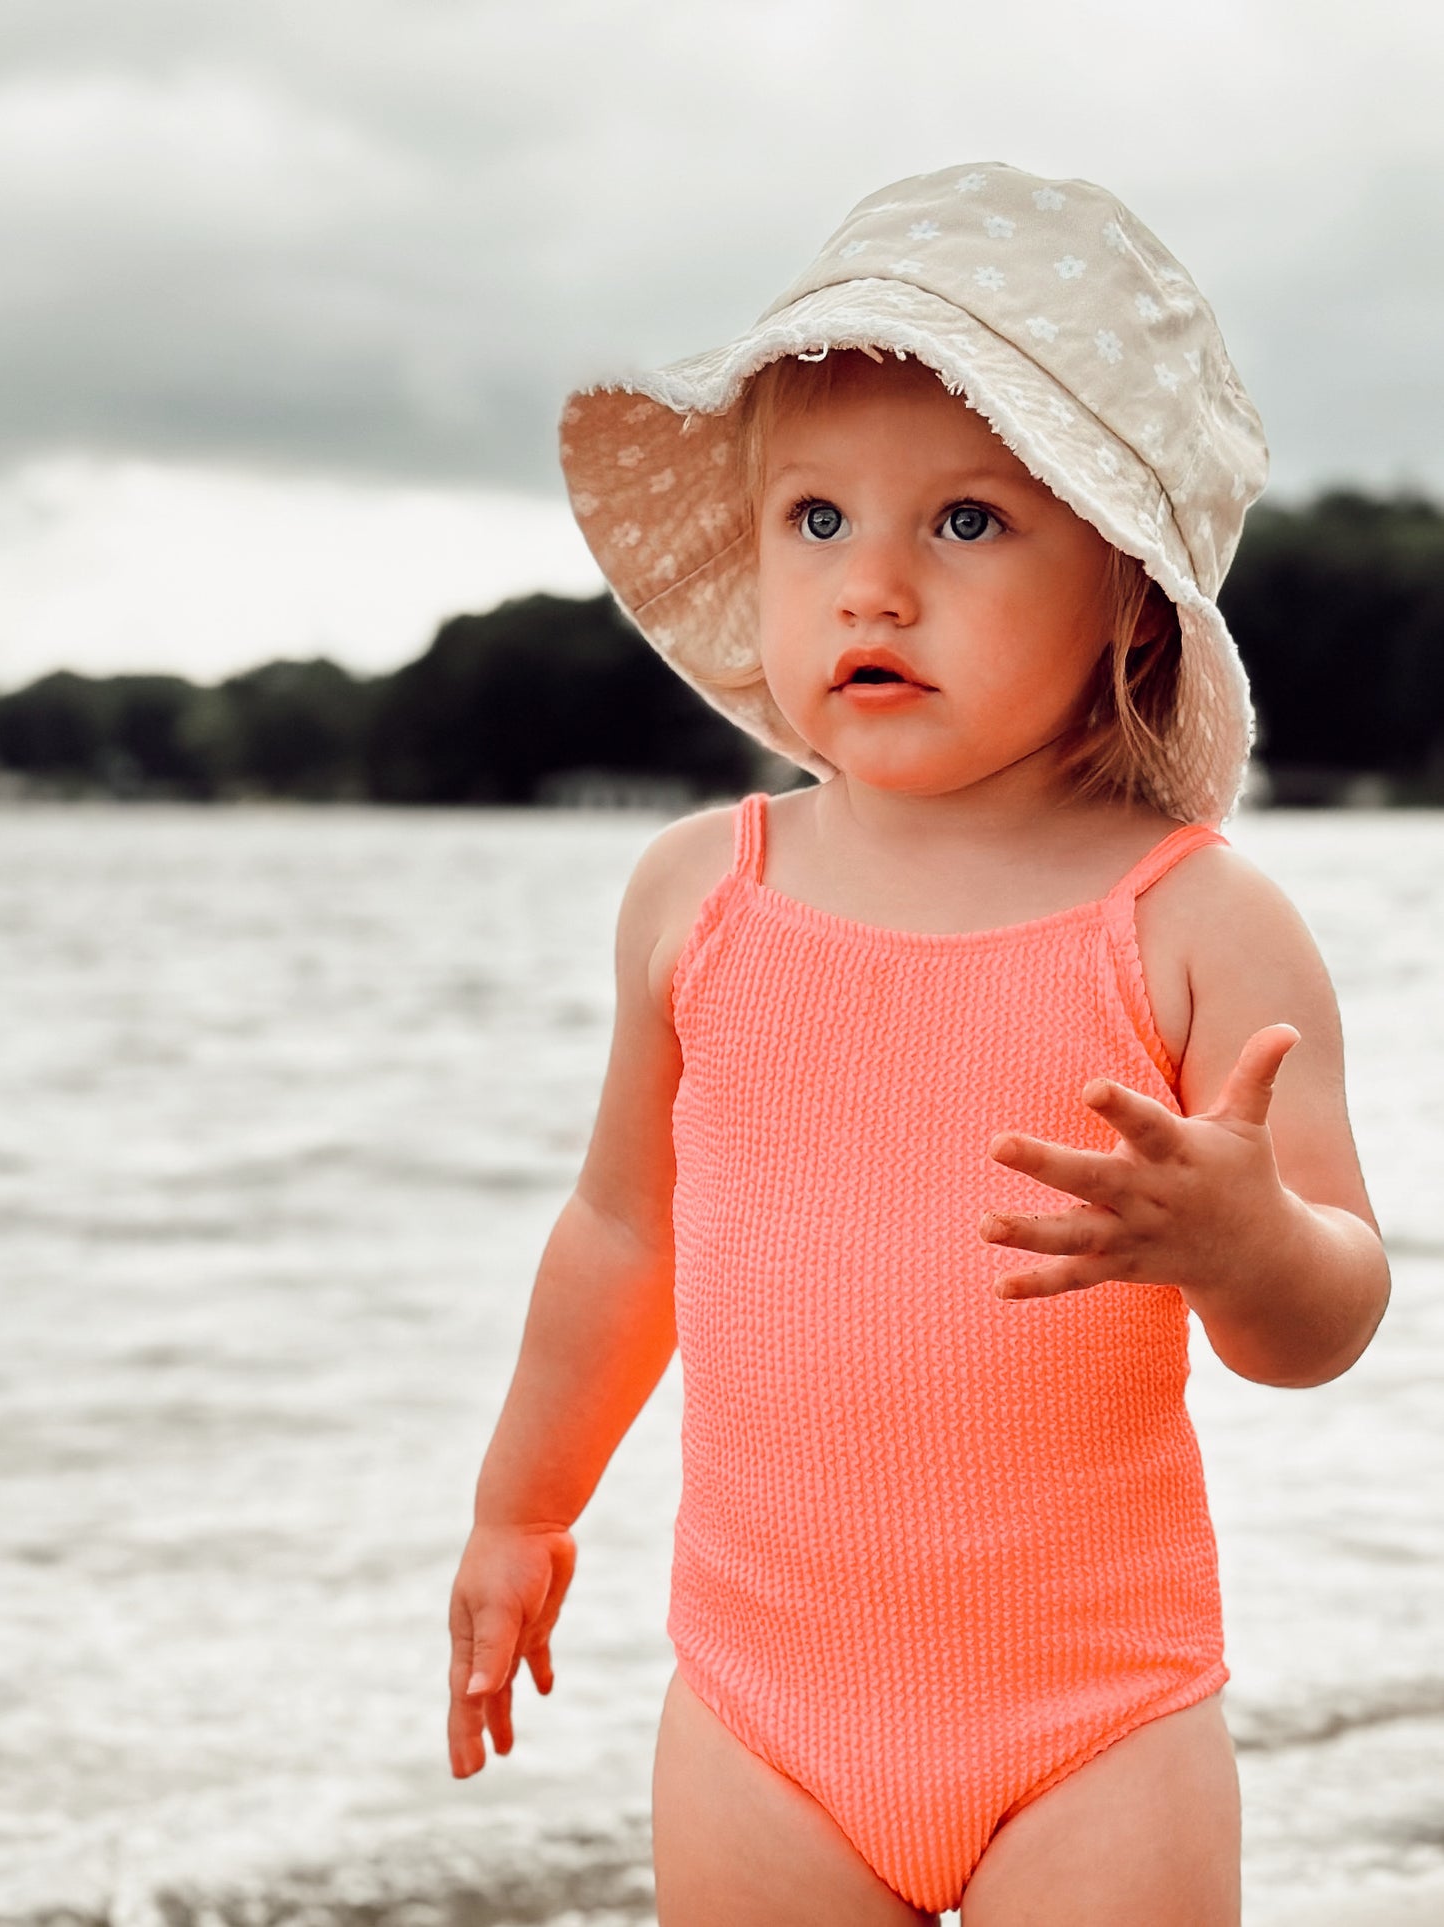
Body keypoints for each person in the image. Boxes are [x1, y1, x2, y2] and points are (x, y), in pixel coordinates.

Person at [445, 163, 1391, 1926]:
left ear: (1126, 595)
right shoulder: (694, 895)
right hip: (758, 1715)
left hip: (1090, 1725)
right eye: (814, 520)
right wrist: (522, 1511)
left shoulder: (1190, 923)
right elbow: (622, 1236)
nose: (869, 587)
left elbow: (1329, 1311)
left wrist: (1245, 1243)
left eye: (963, 524)